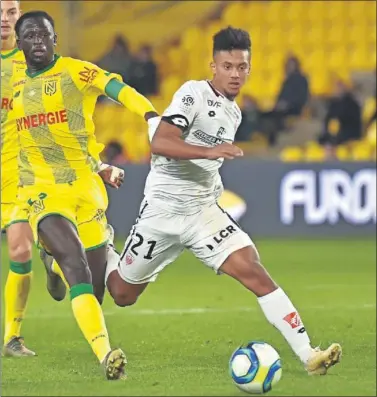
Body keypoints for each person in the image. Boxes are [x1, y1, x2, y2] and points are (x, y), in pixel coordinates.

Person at [104, 26, 342, 376]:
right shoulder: (192, 94)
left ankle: (309, 355)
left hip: (202, 212)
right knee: (122, 294)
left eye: (241, 67)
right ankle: (107, 247)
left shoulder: (234, 113)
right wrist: (209, 150)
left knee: (254, 271)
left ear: (249, 68)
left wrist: (210, 164)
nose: (235, 74)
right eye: (227, 66)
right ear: (213, 66)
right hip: (162, 213)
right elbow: (162, 143)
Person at [12, 10, 159, 379]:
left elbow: (119, 90)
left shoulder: (76, 72)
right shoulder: (12, 89)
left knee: (92, 290)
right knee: (75, 264)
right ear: (19, 44)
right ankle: (106, 355)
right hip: (41, 191)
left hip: (85, 189)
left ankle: (51, 262)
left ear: (55, 39)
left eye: (45, 35)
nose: (38, 42)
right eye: (30, 36)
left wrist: (151, 116)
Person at [1, 0, 35, 357]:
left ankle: (12, 336)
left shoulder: (32, 60)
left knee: (20, 248)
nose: (4, 19)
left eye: (11, 12)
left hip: (18, 172)